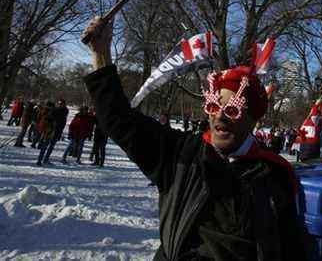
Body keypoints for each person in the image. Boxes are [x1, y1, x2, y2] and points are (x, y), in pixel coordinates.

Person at [81, 16, 304, 261]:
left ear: (253, 120)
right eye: (213, 106)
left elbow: (292, 246)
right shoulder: (180, 153)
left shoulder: (275, 174)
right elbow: (119, 119)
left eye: (232, 109)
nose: (220, 116)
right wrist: (101, 54)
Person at [35, 101, 57, 166]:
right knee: (44, 146)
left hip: (42, 129)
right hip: (48, 131)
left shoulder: (42, 111)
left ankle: (39, 160)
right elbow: (53, 123)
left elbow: (38, 119)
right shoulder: (51, 113)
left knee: (44, 146)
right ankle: (39, 160)